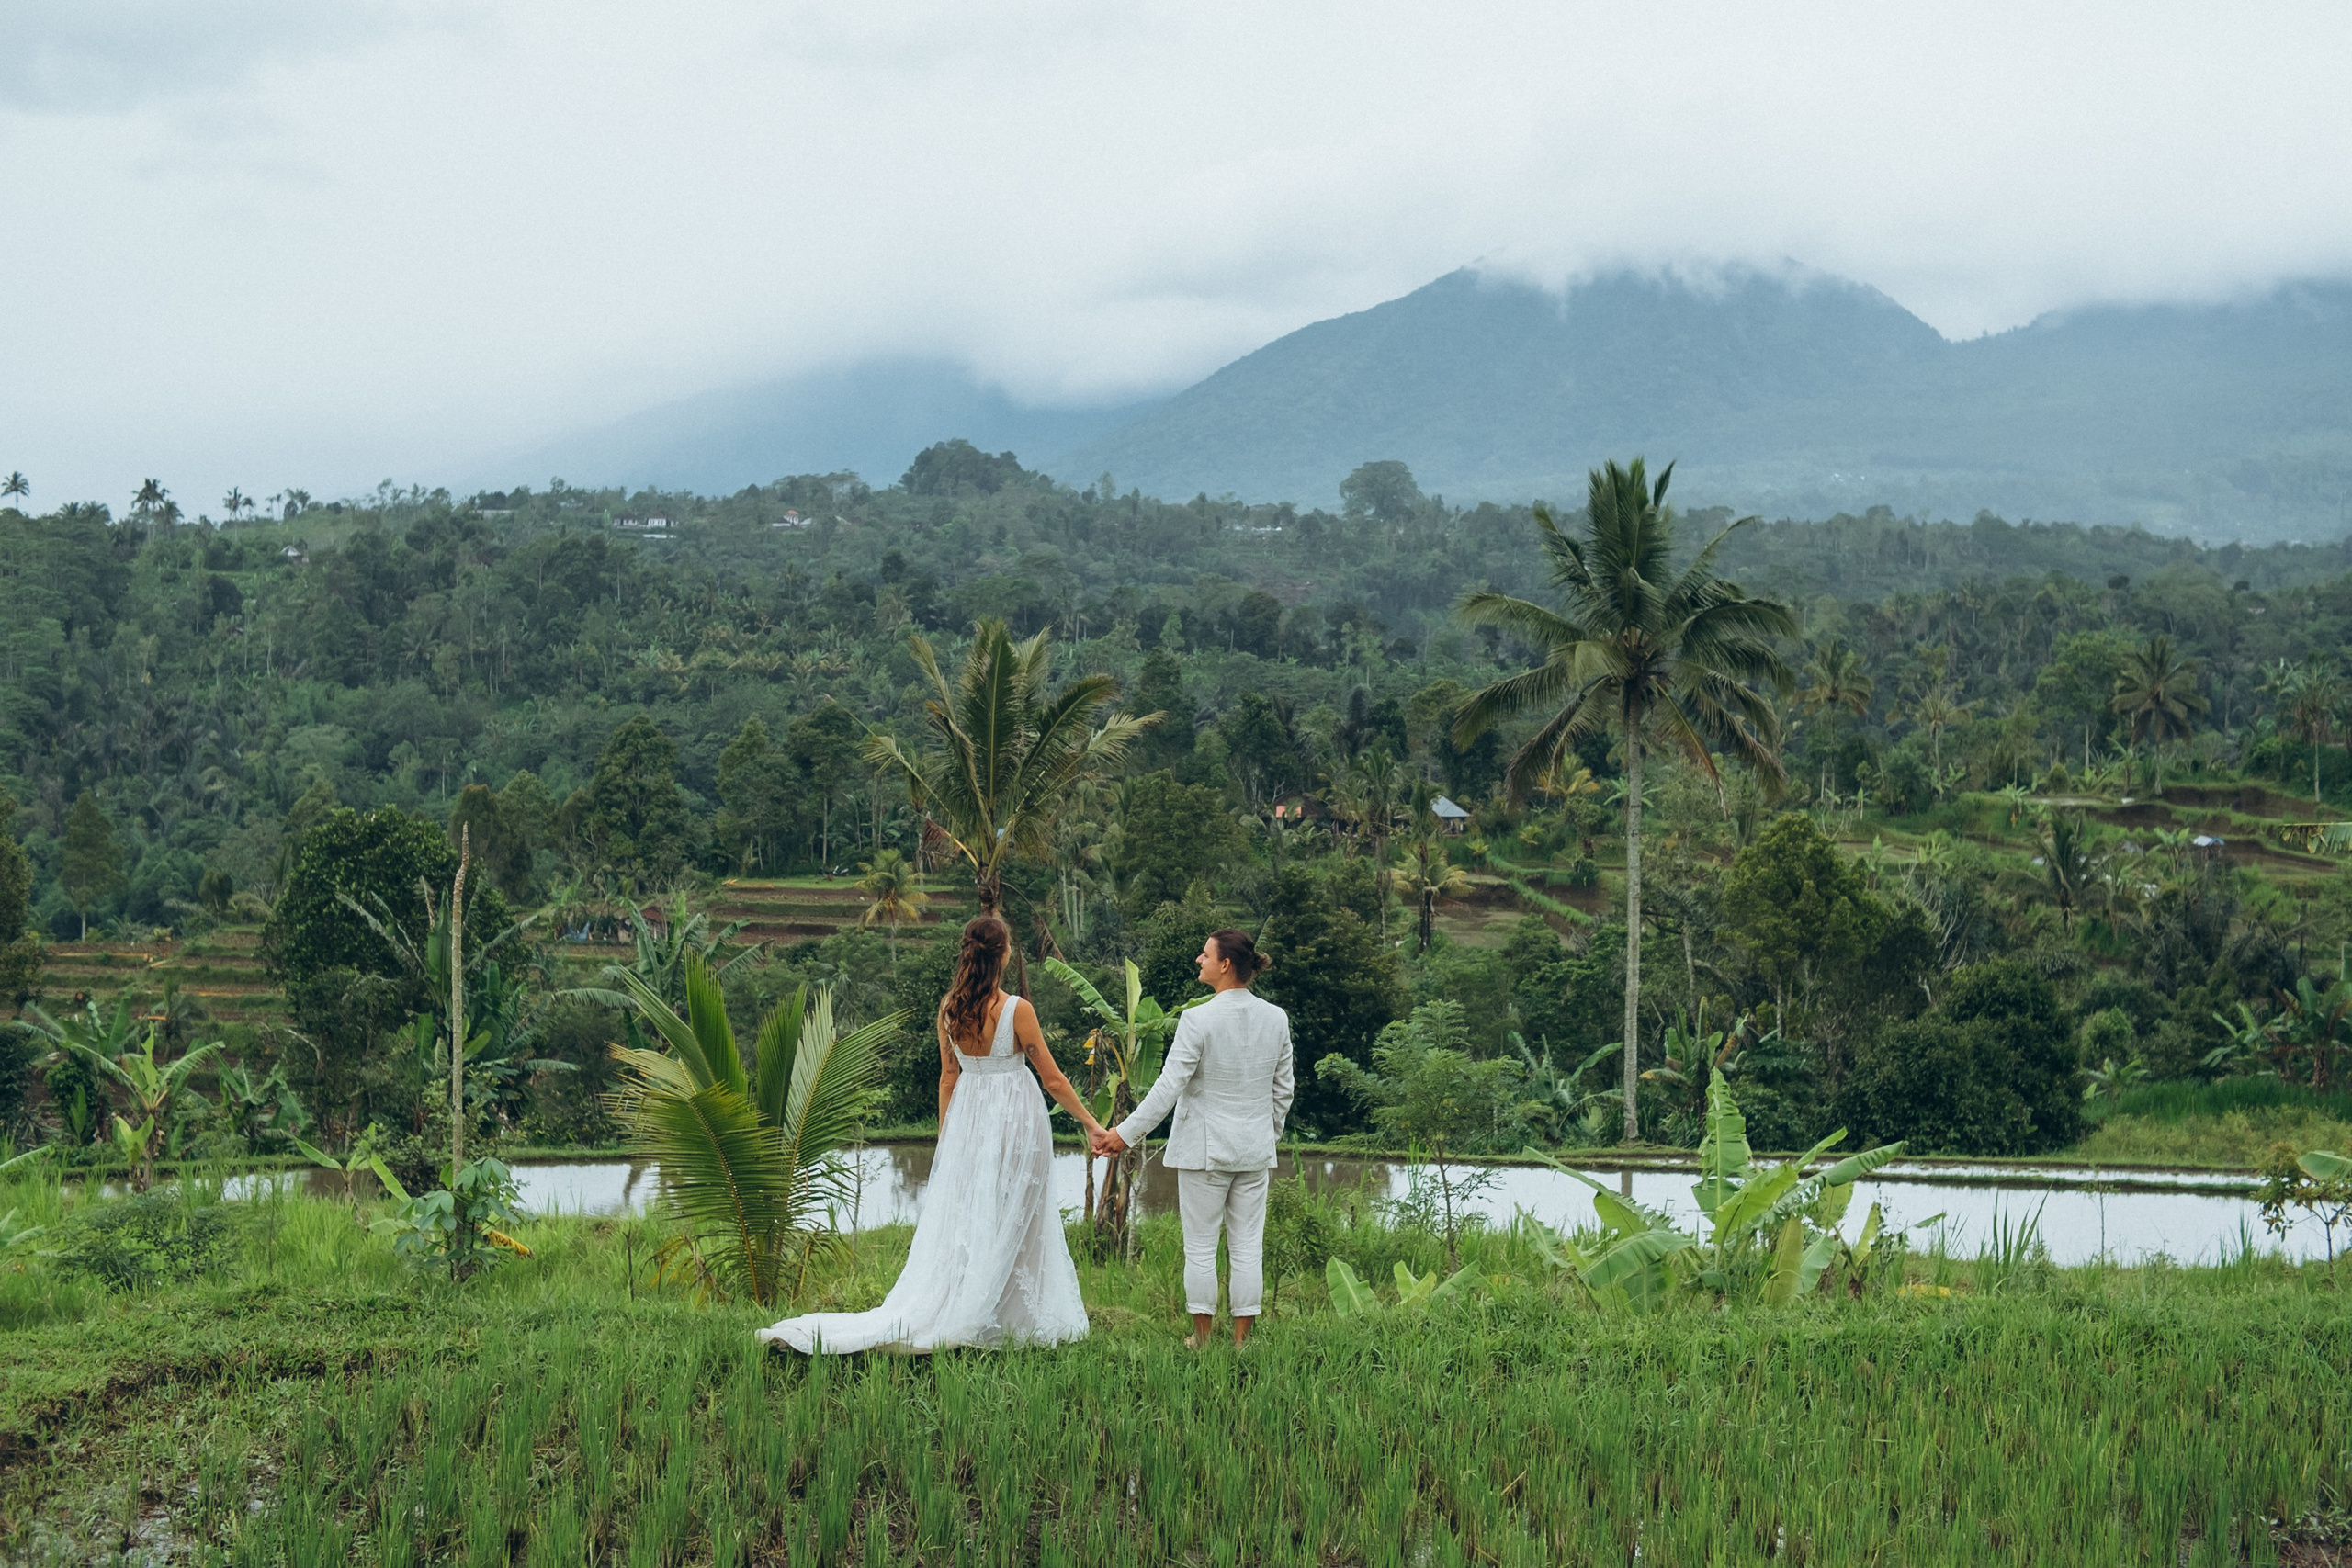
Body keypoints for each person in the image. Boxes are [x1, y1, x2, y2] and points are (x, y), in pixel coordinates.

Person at [759, 916, 1102, 1353]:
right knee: (1018, 1212)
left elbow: (948, 1078)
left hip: (968, 1119)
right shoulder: (1017, 1009)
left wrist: (949, 1138)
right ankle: (1011, 1315)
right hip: (1016, 1120)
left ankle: (987, 1305)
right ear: (1003, 954)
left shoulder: (949, 1009)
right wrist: (1091, 1124)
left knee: (975, 1214)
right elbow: (1052, 1080)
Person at [1092, 928, 1293, 1348]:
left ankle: (1201, 1340)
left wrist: (1123, 1135)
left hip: (1205, 1153)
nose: (1198, 961)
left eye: (1205, 955)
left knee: (1201, 1249)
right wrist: (1265, 1136)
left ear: (1225, 965)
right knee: (1247, 1249)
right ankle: (1242, 1342)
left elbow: (1168, 1087)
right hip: (1254, 1153)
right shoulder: (1275, 1018)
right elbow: (1283, 1090)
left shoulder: (1197, 1019)